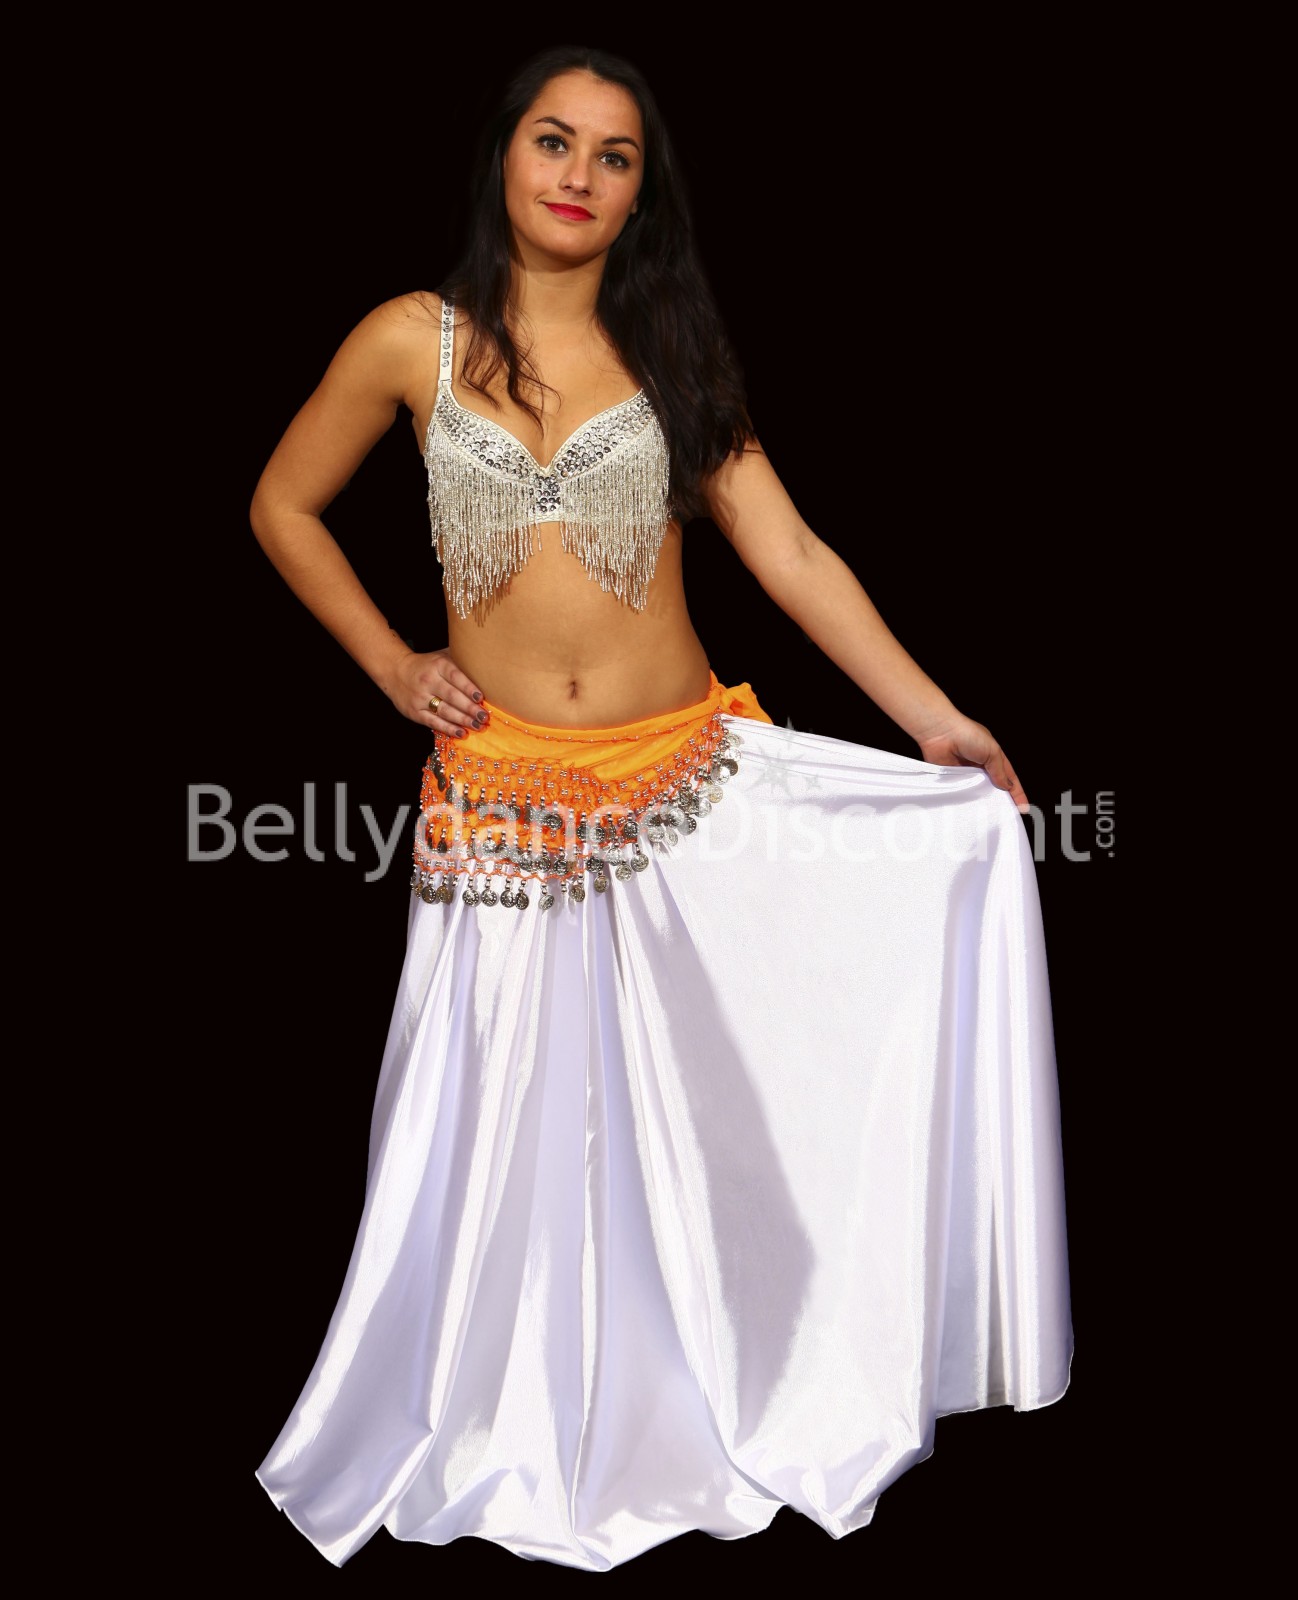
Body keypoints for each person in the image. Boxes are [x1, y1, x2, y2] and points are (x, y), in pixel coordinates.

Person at [252, 44, 1071, 1571]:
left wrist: (934, 720)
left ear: (641, 194)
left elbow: (790, 555)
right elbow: (281, 505)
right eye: (553, 140)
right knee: (500, 1138)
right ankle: (501, 1426)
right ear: (503, 157)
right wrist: (391, 664)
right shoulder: (409, 340)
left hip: (682, 793)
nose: (577, 174)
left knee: (702, 1137)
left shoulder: (670, 356)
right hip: (502, 797)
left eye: (613, 155)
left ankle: (724, 1390)